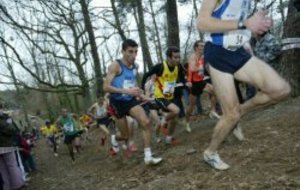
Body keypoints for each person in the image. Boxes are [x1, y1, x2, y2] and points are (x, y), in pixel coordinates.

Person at [197, 0, 291, 170]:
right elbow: (202, 23)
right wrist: (245, 23)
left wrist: (254, 28)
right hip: (218, 53)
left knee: (281, 89)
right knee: (231, 115)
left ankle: (243, 110)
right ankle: (210, 153)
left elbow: (238, 20)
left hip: (239, 51)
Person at [103, 39, 162, 165]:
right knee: (124, 136)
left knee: (145, 122)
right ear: (123, 51)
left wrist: (139, 92)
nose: (134, 55)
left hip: (130, 101)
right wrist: (127, 91)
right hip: (116, 102)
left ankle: (148, 157)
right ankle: (114, 138)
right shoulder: (115, 66)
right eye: (130, 51)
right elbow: (106, 87)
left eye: (136, 51)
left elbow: (131, 82)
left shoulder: (135, 66)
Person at [142, 46, 188, 145]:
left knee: (174, 120)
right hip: (159, 96)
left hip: (169, 96)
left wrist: (186, 83)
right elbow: (146, 75)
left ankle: (168, 138)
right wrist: (142, 89)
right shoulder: (160, 67)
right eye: (175, 57)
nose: (177, 59)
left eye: (178, 57)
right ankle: (163, 120)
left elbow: (181, 77)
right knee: (177, 110)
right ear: (168, 57)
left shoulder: (178, 66)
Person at [185, 41, 220, 133]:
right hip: (193, 84)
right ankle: (187, 122)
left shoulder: (203, 57)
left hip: (201, 81)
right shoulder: (193, 56)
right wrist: (202, 69)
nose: (203, 47)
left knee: (215, 91)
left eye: (204, 46)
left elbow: (207, 67)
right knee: (191, 106)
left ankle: (212, 111)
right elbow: (192, 68)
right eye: (201, 46)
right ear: (196, 48)